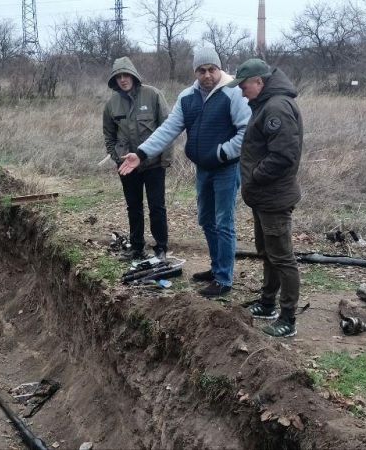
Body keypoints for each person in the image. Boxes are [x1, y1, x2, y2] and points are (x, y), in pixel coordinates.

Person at [119, 47, 250, 298]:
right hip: (203, 168)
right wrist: (142, 153)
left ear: (219, 68)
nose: (207, 75)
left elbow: (246, 132)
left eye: (212, 69)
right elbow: (168, 129)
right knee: (206, 220)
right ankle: (215, 268)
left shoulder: (233, 92)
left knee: (224, 222)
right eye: (202, 70)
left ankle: (224, 279)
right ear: (195, 71)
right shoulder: (187, 97)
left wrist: (222, 152)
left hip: (226, 168)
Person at [227, 58, 304, 338]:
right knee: (268, 253)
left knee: (282, 257)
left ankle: (287, 318)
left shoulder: (276, 107)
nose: (241, 91)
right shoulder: (265, 104)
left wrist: (255, 176)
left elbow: (284, 155)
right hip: (263, 196)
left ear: (259, 81)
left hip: (274, 196)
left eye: (244, 85)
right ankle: (268, 303)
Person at [103, 56, 171, 261]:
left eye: (126, 75)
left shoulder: (153, 95)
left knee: (156, 206)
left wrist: (165, 159)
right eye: (118, 77)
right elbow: (108, 135)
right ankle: (137, 248)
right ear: (114, 80)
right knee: (133, 206)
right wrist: (117, 158)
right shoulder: (111, 104)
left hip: (153, 163)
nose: (123, 79)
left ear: (133, 75)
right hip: (127, 166)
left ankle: (161, 248)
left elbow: (167, 128)